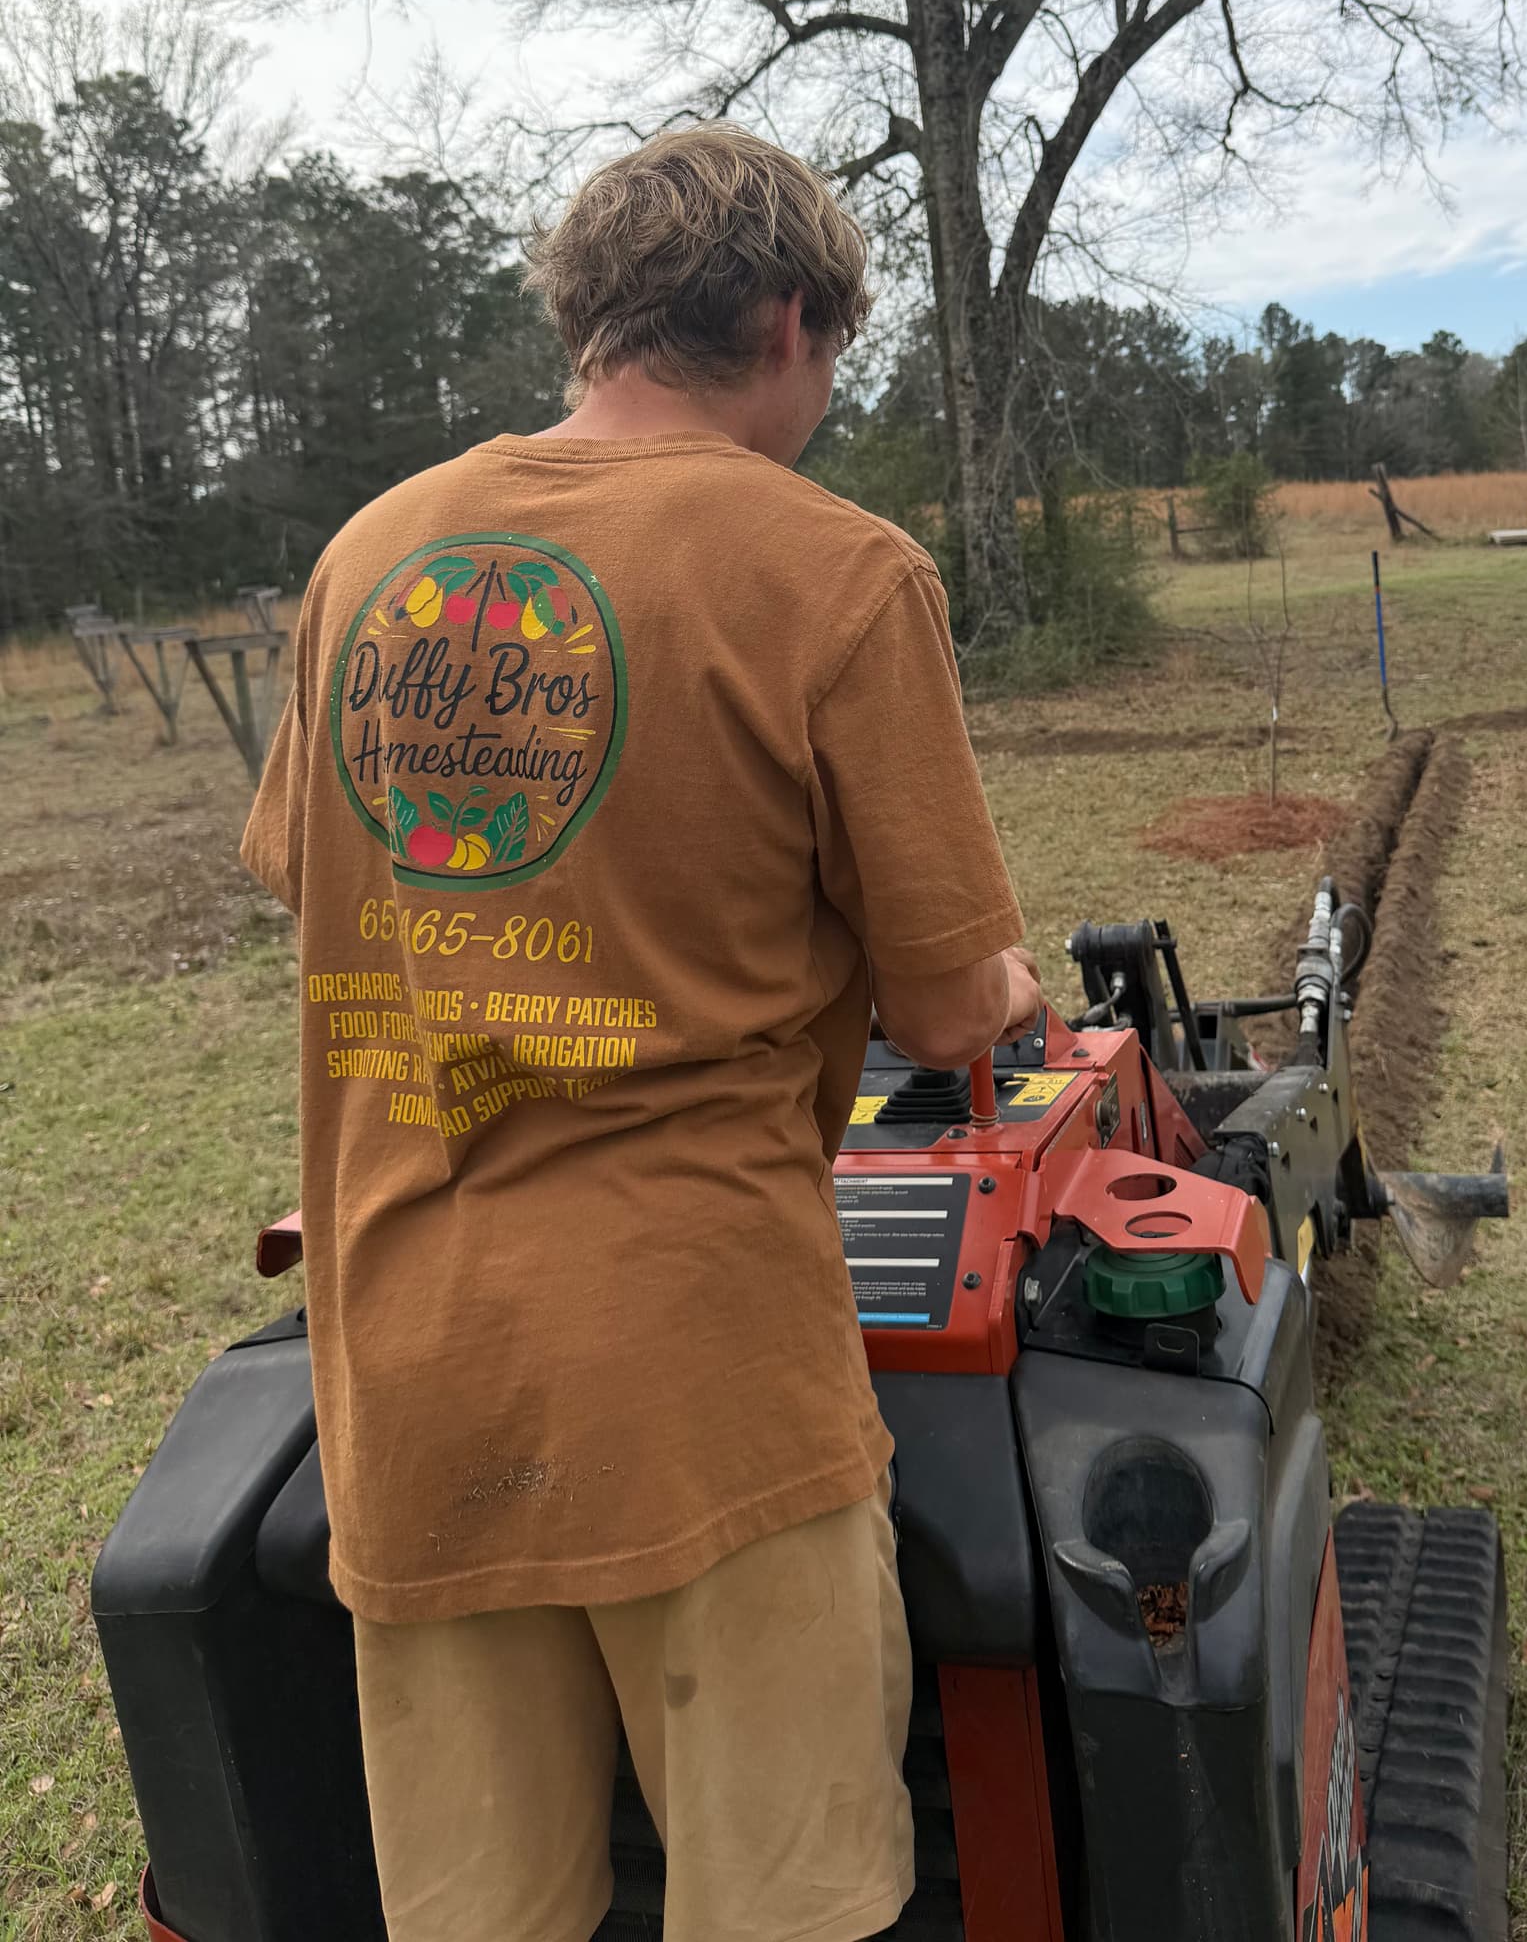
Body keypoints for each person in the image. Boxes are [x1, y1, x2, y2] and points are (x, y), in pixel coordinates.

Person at [241, 123, 1042, 1942]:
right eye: (828, 359)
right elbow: (940, 1000)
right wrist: (995, 983)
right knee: (779, 1900)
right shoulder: (835, 572)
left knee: (479, 1911)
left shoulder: (373, 556)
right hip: (705, 1381)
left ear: (598, 322)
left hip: (412, 1362)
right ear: (783, 321)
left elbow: (322, 878)